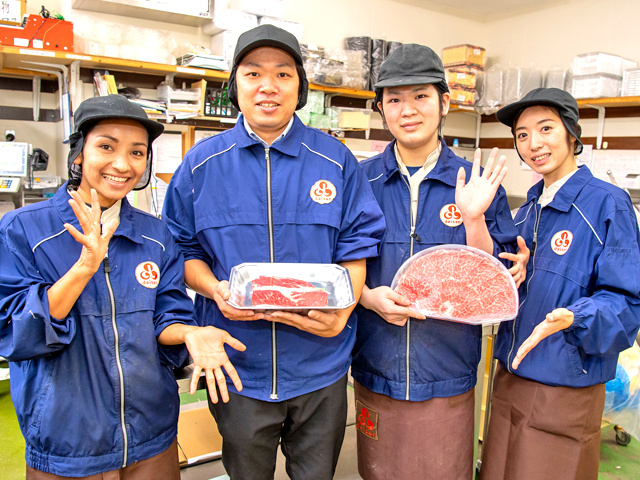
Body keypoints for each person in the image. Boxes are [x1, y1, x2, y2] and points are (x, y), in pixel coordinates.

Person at [161, 25, 385, 480]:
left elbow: (357, 245)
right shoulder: (201, 165)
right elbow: (180, 249)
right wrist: (214, 288)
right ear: (235, 86)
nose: (268, 86)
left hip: (320, 364)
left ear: (300, 87)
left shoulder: (336, 160)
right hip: (239, 366)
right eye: (253, 73)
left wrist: (342, 312)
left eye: (283, 74)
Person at [0, 94, 246, 479]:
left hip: (151, 438)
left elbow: (167, 316)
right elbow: (15, 333)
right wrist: (85, 267)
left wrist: (191, 333)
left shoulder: (155, 235)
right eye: (106, 147)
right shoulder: (23, 229)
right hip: (68, 445)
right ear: (79, 153)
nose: (122, 164)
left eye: (137, 152)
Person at [349, 43, 519, 480]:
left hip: (447, 371)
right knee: (377, 472)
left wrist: (474, 218)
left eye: (421, 96)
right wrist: (367, 298)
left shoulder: (478, 185)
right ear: (381, 110)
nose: (407, 110)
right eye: (394, 99)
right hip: (375, 364)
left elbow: (493, 284)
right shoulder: (359, 181)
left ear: (444, 102)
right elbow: (337, 264)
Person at [479, 87, 640, 480]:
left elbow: (627, 303)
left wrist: (575, 317)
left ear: (571, 132)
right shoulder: (528, 210)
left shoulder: (607, 204)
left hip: (566, 385)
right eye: (522, 134)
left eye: (546, 128)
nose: (533, 143)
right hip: (510, 377)